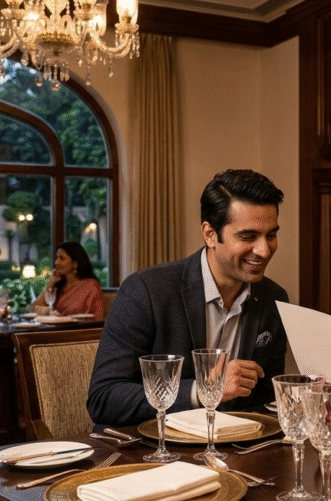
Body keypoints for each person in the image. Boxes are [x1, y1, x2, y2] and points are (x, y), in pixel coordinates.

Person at [87, 169, 289, 426]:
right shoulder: (145, 291)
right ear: (209, 234)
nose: (264, 249)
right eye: (248, 236)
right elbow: (104, 399)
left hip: (236, 452)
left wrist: (320, 395)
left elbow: (266, 400)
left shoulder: (274, 298)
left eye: (271, 235)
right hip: (151, 453)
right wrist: (202, 390)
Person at [31, 241, 105, 318]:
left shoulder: (91, 286)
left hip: (75, 329)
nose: (56, 262)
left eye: (62, 259)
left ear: (75, 263)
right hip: (54, 328)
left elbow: (98, 317)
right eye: (56, 258)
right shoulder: (59, 285)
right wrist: (50, 283)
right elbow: (35, 309)